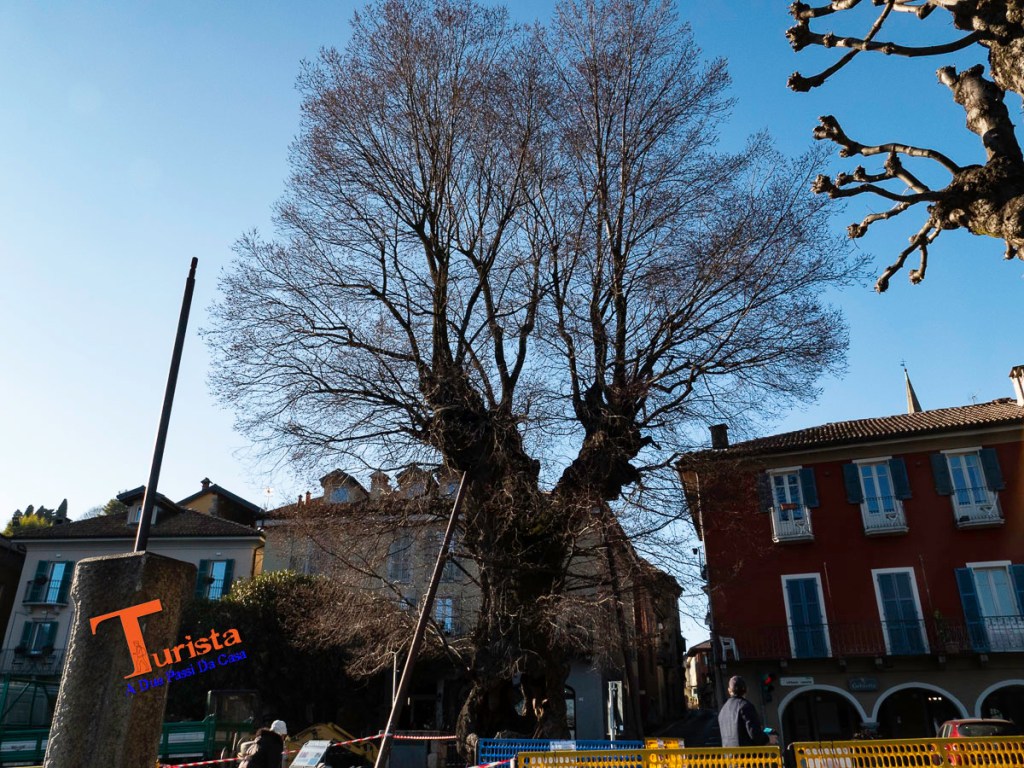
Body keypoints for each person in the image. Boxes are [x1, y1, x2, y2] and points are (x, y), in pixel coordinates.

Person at [718, 676, 772, 747]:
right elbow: (755, 735)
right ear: (746, 690)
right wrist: (768, 738)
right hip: (746, 756)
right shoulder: (746, 706)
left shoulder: (722, 711)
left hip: (728, 756)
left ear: (729, 690)